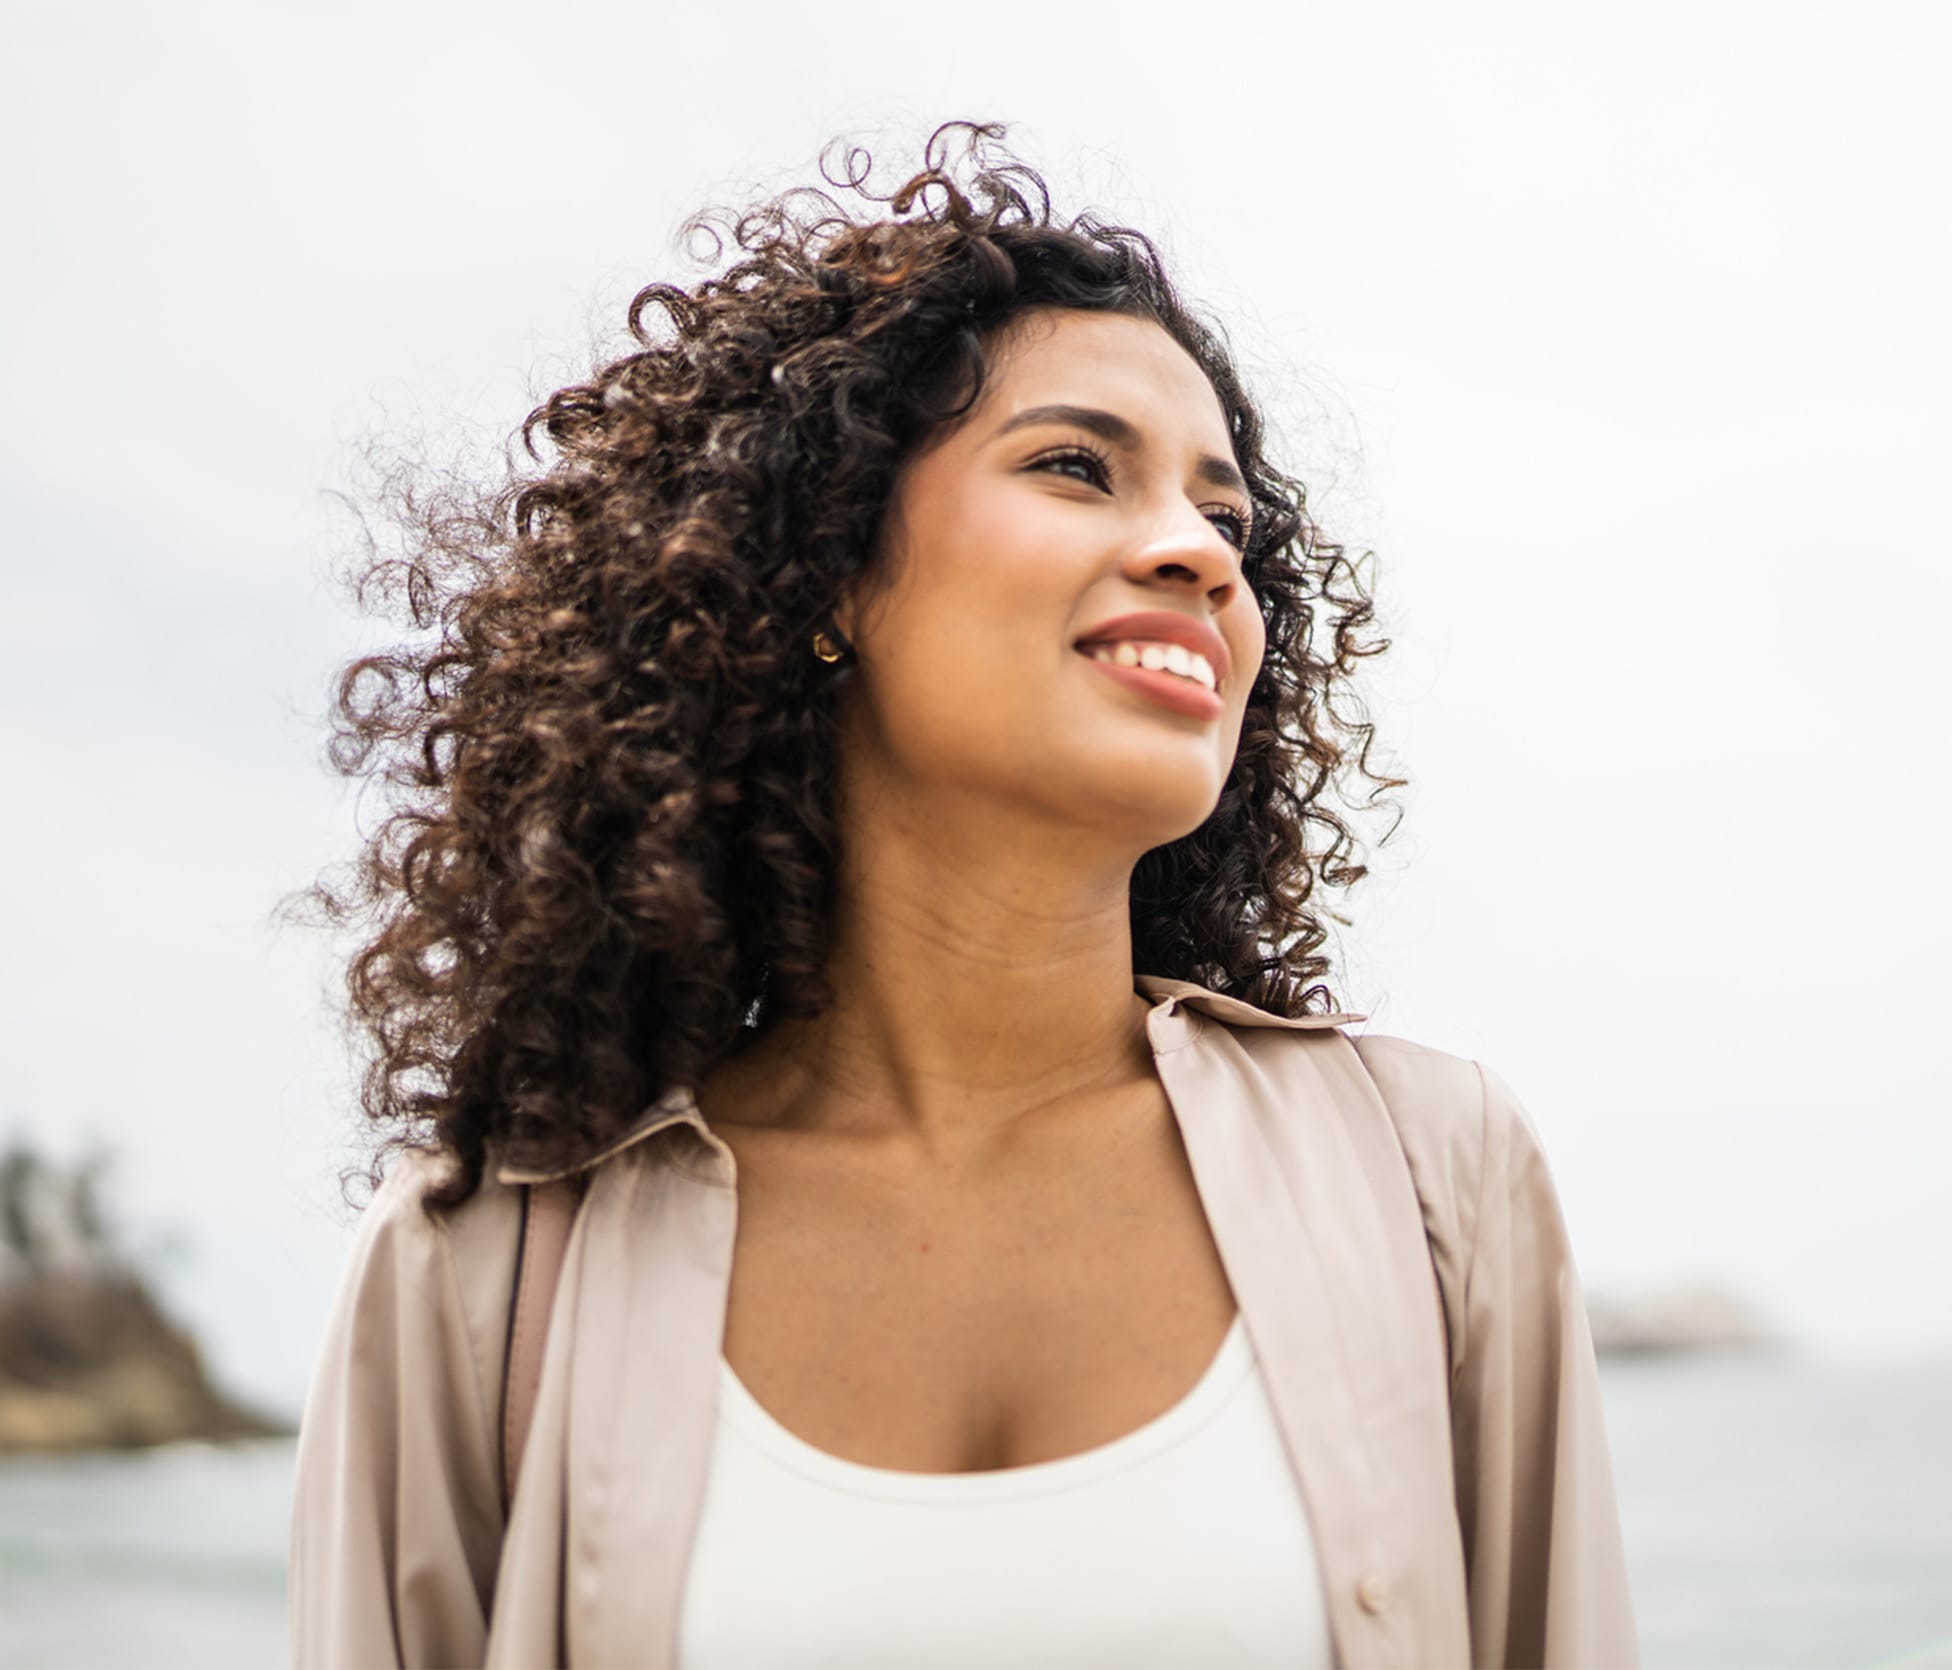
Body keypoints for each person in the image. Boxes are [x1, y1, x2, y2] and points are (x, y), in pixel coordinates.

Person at [289, 123, 1638, 1669]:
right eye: (1076, 466)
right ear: (826, 569)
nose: (1199, 556)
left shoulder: (1431, 1178)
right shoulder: (486, 1263)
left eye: (1227, 519)